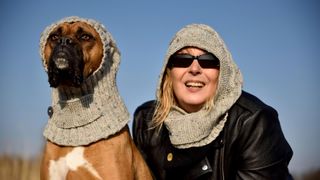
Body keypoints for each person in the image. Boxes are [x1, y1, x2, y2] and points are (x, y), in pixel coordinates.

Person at [133, 24, 293, 180]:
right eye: (182, 59)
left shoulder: (253, 122)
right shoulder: (147, 122)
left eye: (208, 60)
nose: (194, 69)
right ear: (168, 72)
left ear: (222, 73)